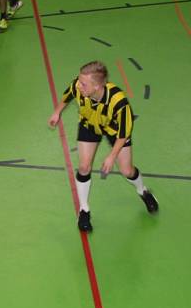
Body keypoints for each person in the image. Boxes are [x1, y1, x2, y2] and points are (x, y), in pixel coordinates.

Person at [48, 61, 158, 232]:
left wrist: (111, 156)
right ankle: (84, 210)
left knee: (127, 170)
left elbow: (123, 134)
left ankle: (143, 191)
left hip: (115, 131)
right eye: (79, 80)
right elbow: (68, 95)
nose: (79, 85)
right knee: (84, 167)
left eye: (84, 83)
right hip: (89, 124)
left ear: (97, 86)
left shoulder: (119, 103)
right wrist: (57, 112)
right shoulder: (79, 86)